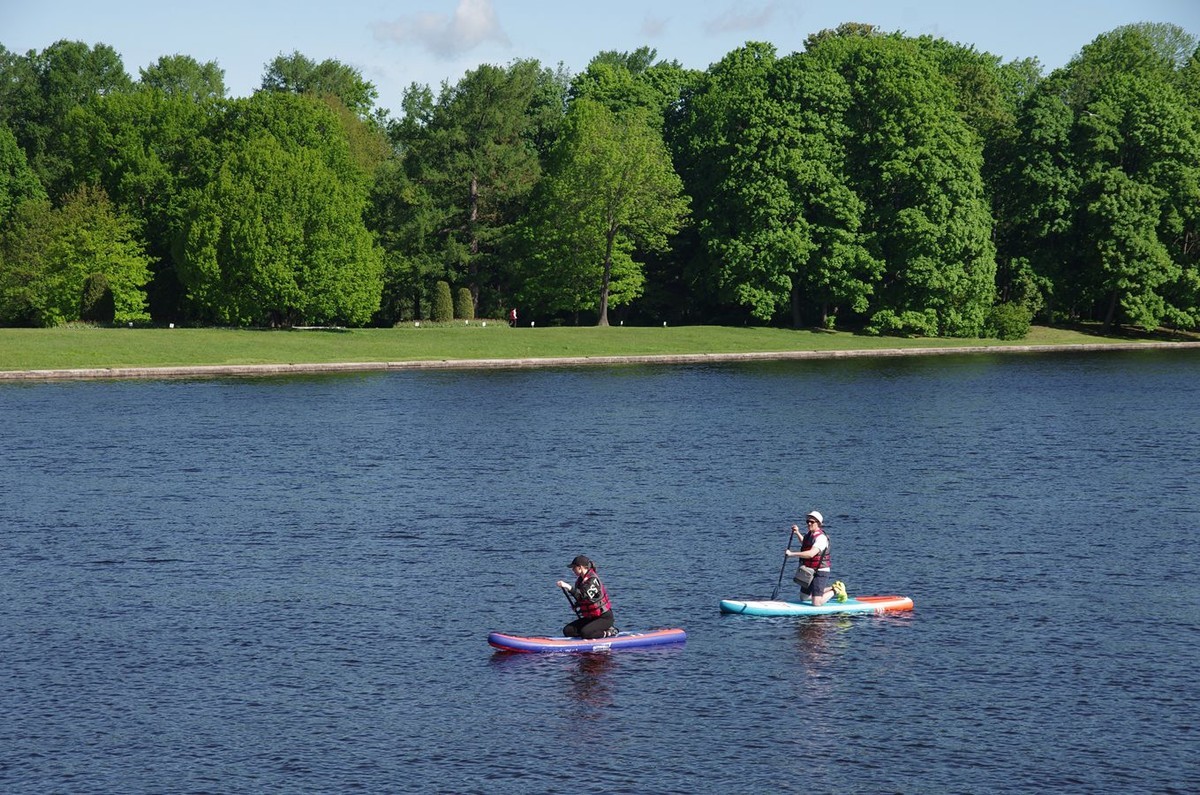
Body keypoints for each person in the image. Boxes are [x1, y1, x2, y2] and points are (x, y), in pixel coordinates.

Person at [785, 510, 847, 605]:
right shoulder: (809, 535)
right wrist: (797, 533)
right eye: (807, 521)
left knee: (816, 603)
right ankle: (833, 587)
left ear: (818, 523)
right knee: (804, 598)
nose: (809, 523)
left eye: (812, 522)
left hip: (820, 571)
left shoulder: (821, 538)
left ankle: (836, 590)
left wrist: (792, 554)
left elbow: (811, 554)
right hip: (809, 570)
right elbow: (805, 544)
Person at [556, 555, 617, 638]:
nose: (572, 570)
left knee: (586, 633)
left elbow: (582, 596)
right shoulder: (580, 581)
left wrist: (568, 586)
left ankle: (610, 632)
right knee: (568, 630)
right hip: (591, 618)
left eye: (574, 568)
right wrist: (577, 605)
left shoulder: (593, 580)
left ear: (580, 567)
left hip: (604, 618)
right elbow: (583, 600)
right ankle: (589, 633)